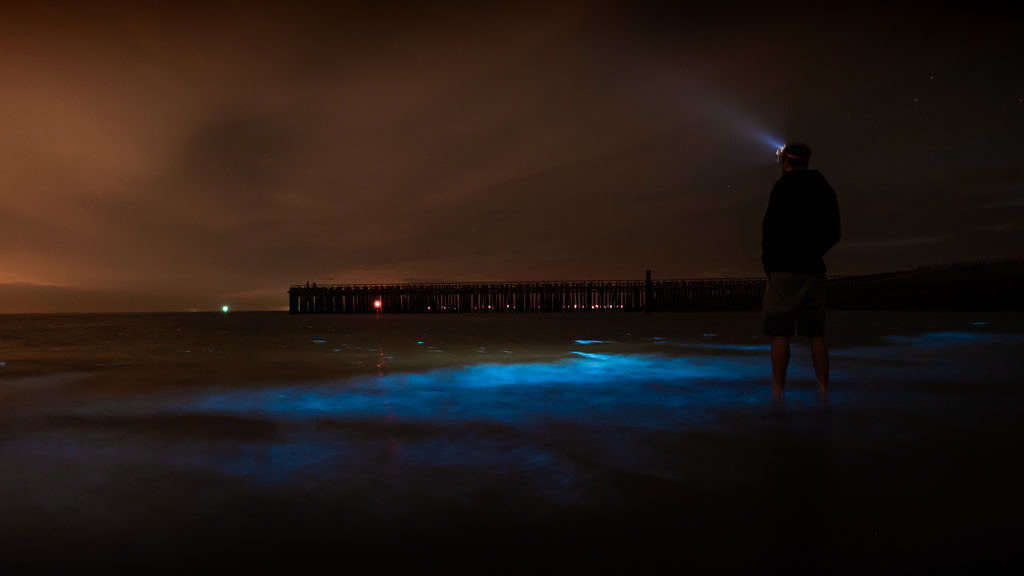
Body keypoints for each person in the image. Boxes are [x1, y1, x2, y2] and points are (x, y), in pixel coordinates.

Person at [761, 143, 841, 403]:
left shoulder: (781, 187)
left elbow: (769, 229)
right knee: (816, 333)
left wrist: (770, 265)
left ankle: (778, 391)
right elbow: (835, 230)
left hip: (783, 270)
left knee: (780, 332)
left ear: (785, 162)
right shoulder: (822, 186)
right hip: (813, 268)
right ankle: (823, 389)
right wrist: (815, 251)